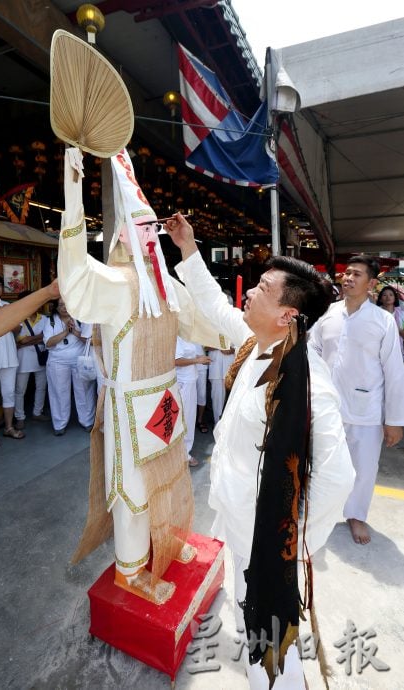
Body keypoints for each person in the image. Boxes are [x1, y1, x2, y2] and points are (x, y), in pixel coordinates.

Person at [165, 212, 355, 690]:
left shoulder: (308, 384)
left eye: (262, 288)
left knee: (269, 639)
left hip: (267, 536)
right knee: (253, 621)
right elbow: (213, 306)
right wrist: (188, 247)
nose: (248, 292)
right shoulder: (259, 345)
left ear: (288, 313)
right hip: (238, 517)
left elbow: (337, 477)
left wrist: (292, 545)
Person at [57, 147, 225, 603]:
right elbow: (73, 277)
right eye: (144, 226)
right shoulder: (114, 283)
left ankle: (164, 540)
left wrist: (242, 336)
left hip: (165, 399)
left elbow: (208, 325)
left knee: (169, 475)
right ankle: (130, 570)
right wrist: (74, 187)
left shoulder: (166, 285)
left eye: (154, 225)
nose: (153, 232)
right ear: (125, 237)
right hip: (130, 406)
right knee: (131, 488)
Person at [310, 256, 404, 546]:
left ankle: (356, 515)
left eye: (357, 274)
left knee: (363, 468)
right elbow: (311, 351)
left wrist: (395, 421)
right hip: (327, 408)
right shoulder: (328, 314)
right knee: (322, 464)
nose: (348, 278)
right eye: (347, 273)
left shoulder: (383, 321)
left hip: (367, 409)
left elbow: (394, 372)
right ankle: (320, 513)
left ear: (372, 283)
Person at [43, 298, 96, 436]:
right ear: (56, 307)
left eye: (66, 304)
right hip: (57, 361)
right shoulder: (50, 321)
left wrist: (74, 332)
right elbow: (48, 343)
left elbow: (89, 340)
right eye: (60, 305)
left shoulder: (80, 318)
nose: (64, 307)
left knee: (84, 391)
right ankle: (59, 424)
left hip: (80, 360)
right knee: (59, 392)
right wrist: (65, 332)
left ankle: (87, 421)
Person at [0, 271, 25, 447]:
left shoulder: (8, 306)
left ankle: (9, 427)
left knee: (9, 393)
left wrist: (8, 318)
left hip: (9, 357)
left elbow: (17, 330)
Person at [14, 290, 50, 430]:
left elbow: (46, 337)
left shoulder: (45, 318)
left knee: (41, 387)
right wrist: (38, 338)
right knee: (20, 389)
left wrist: (27, 340)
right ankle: (20, 417)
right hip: (23, 359)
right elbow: (17, 341)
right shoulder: (17, 319)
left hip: (40, 357)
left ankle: (37, 412)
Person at [0, 279, 59, 345]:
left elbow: (18, 332)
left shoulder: (7, 305)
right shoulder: (14, 311)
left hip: (13, 348)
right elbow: (23, 340)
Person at [175, 337, 211, 466]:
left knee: (189, 418)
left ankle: (185, 451)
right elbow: (176, 360)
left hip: (190, 380)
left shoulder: (186, 337)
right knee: (185, 418)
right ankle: (184, 454)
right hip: (183, 382)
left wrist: (200, 359)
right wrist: (197, 360)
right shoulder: (177, 337)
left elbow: (188, 355)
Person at [376, 285, 404, 356]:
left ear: (395, 298)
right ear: (380, 299)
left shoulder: (401, 314)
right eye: (385, 295)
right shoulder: (375, 314)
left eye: (391, 295)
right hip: (379, 351)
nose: (388, 297)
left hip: (398, 350)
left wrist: (398, 330)